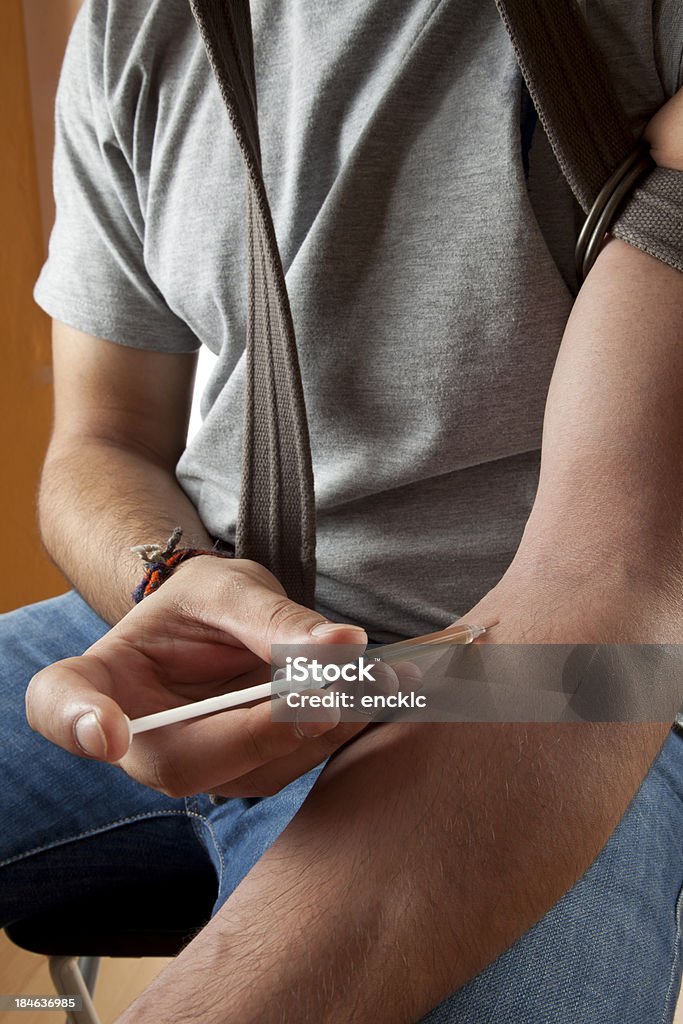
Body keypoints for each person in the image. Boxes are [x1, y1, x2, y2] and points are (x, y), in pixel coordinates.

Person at [2, 0, 683, 1020]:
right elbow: (100, 443)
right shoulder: (134, 21)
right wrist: (178, 581)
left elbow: (613, 583)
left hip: (550, 679)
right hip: (202, 629)